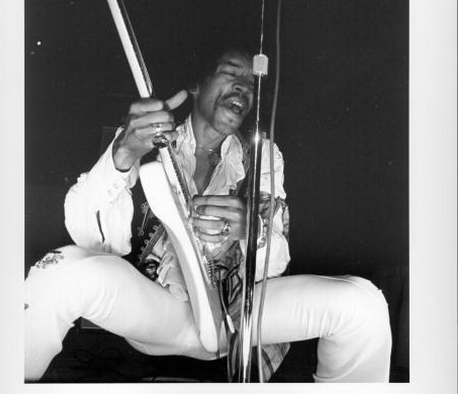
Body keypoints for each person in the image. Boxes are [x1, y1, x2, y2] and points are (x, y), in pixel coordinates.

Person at [25, 47, 392, 382]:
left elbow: (277, 261)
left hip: (240, 314)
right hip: (160, 312)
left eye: (252, 84)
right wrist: (123, 154)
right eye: (231, 73)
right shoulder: (145, 138)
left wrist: (252, 230)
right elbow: (89, 237)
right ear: (197, 85)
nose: (243, 87)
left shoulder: (263, 156)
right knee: (61, 271)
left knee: (362, 304)